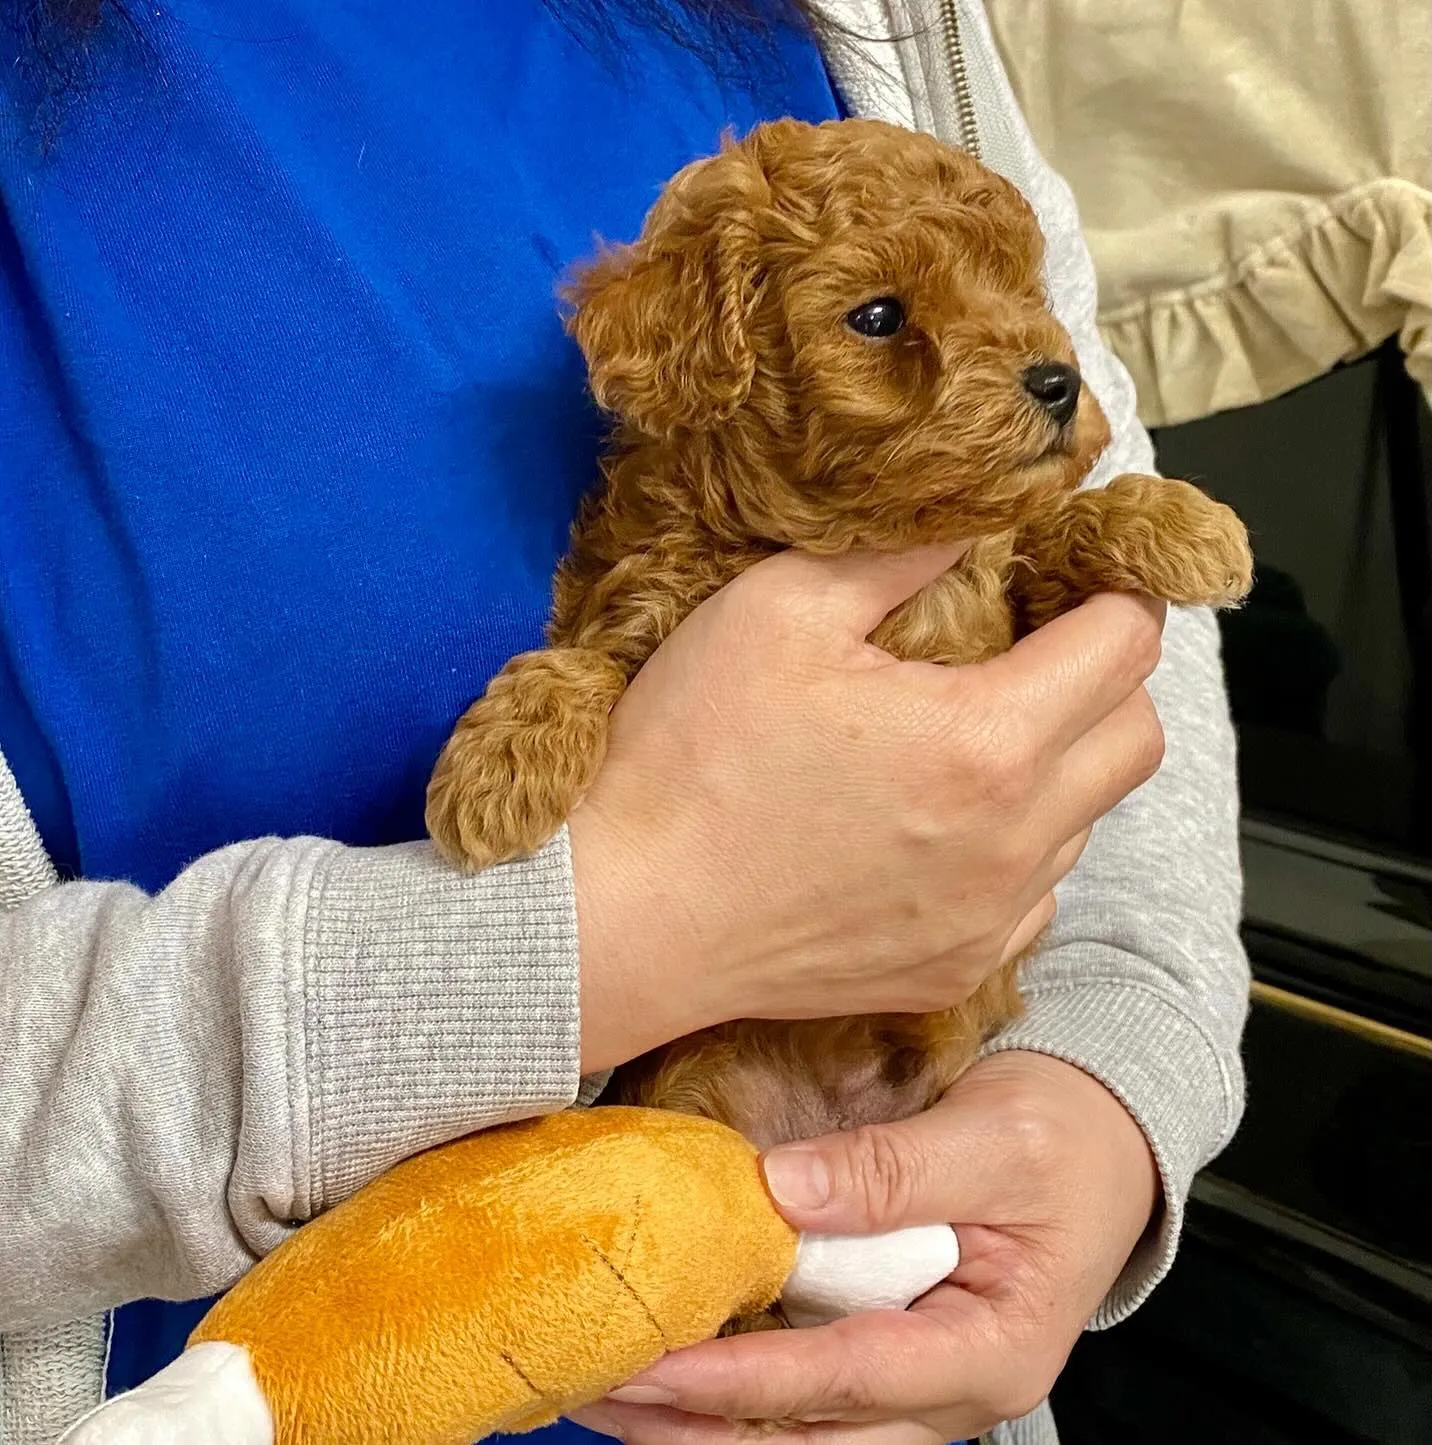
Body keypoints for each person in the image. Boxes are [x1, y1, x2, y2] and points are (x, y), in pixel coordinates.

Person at [0, 3, 1249, 1443]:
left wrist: (1099, 1088)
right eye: (881, 325)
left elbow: (1090, 568)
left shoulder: (884, 20)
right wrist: (611, 928)